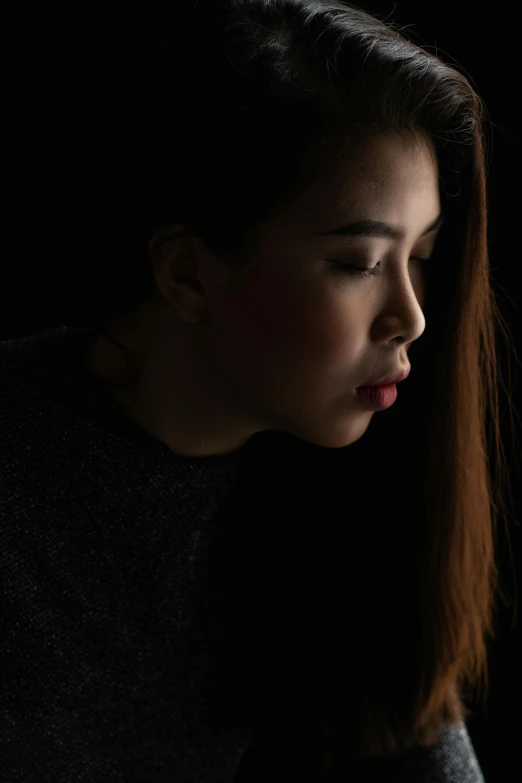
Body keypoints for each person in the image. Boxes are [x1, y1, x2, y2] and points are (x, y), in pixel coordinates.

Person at [1, 1, 517, 781]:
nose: (411, 320)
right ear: (189, 273)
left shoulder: (341, 486)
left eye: (422, 258)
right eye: (358, 263)